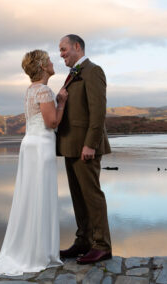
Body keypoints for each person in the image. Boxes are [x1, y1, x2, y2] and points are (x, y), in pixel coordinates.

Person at [0, 50, 68, 276]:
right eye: (50, 60)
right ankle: (38, 252)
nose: (53, 63)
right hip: (41, 145)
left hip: (29, 145)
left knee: (29, 195)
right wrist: (61, 103)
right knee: (40, 195)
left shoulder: (30, 90)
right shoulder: (43, 90)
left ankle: (29, 247)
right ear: (42, 66)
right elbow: (51, 122)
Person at [57, 34, 112, 264]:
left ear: (77, 47)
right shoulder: (71, 75)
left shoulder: (93, 71)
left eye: (63, 49)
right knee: (78, 197)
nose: (61, 54)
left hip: (85, 147)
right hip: (70, 145)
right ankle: (83, 241)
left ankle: (102, 245)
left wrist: (90, 143)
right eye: (60, 51)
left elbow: (98, 111)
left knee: (92, 196)